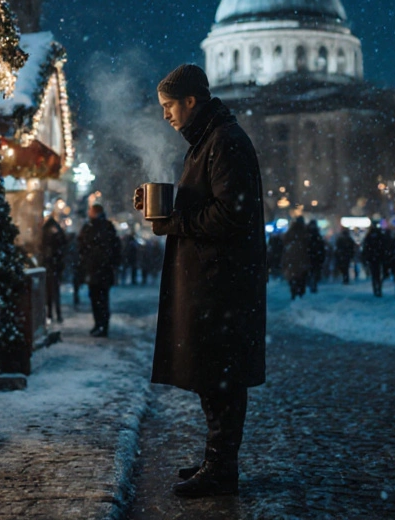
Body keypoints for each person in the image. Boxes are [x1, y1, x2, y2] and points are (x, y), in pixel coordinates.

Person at [134, 63, 265, 498]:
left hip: (222, 285)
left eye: (169, 105)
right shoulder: (208, 141)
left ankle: (221, 468)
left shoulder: (224, 142)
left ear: (192, 100)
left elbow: (232, 214)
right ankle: (217, 460)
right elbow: (207, 204)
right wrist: (160, 205)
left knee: (221, 378)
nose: (166, 115)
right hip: (213, 282)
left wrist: (174, 218)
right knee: (213, 376)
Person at [78, 203, 120, 337]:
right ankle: (102, 325)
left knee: (97, 299)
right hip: (103, 270)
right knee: (102, 299)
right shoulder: (107, 227)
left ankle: (100, 325)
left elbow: (82, 247)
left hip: (95, 269)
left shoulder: (90, 228)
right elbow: (115, 248)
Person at [41, 209, 67, 324]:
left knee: (50, 292)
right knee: (55, 292)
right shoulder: (57, 231)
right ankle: (56, 314)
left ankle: (50, 314)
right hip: (55, 265)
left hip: (50, 265)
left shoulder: (46, 231)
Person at [281, 217, 310, 299]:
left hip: (291, 259)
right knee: (301, 279)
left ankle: (294, 294)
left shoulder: (290, 233)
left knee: (293, 278)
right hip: (301, 259)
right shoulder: (305, 233)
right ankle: (300, 295)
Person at [362, 225, 389, 297]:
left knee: (374, 275)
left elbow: (366, 248)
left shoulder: (369, 237)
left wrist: (366, 257)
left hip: (372, 258)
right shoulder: (381, 237)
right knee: (379, 274)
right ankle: (379, 288)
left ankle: (375, 288)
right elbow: (385, 247)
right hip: (379, 258)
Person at [306, 221, 326, 293]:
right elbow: (322, 247)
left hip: (310, 257)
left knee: (311, 271)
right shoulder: (317, 236)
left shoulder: (307, 235)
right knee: (314, 271)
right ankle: (313, 284)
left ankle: (311, 283)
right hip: (316, 257)